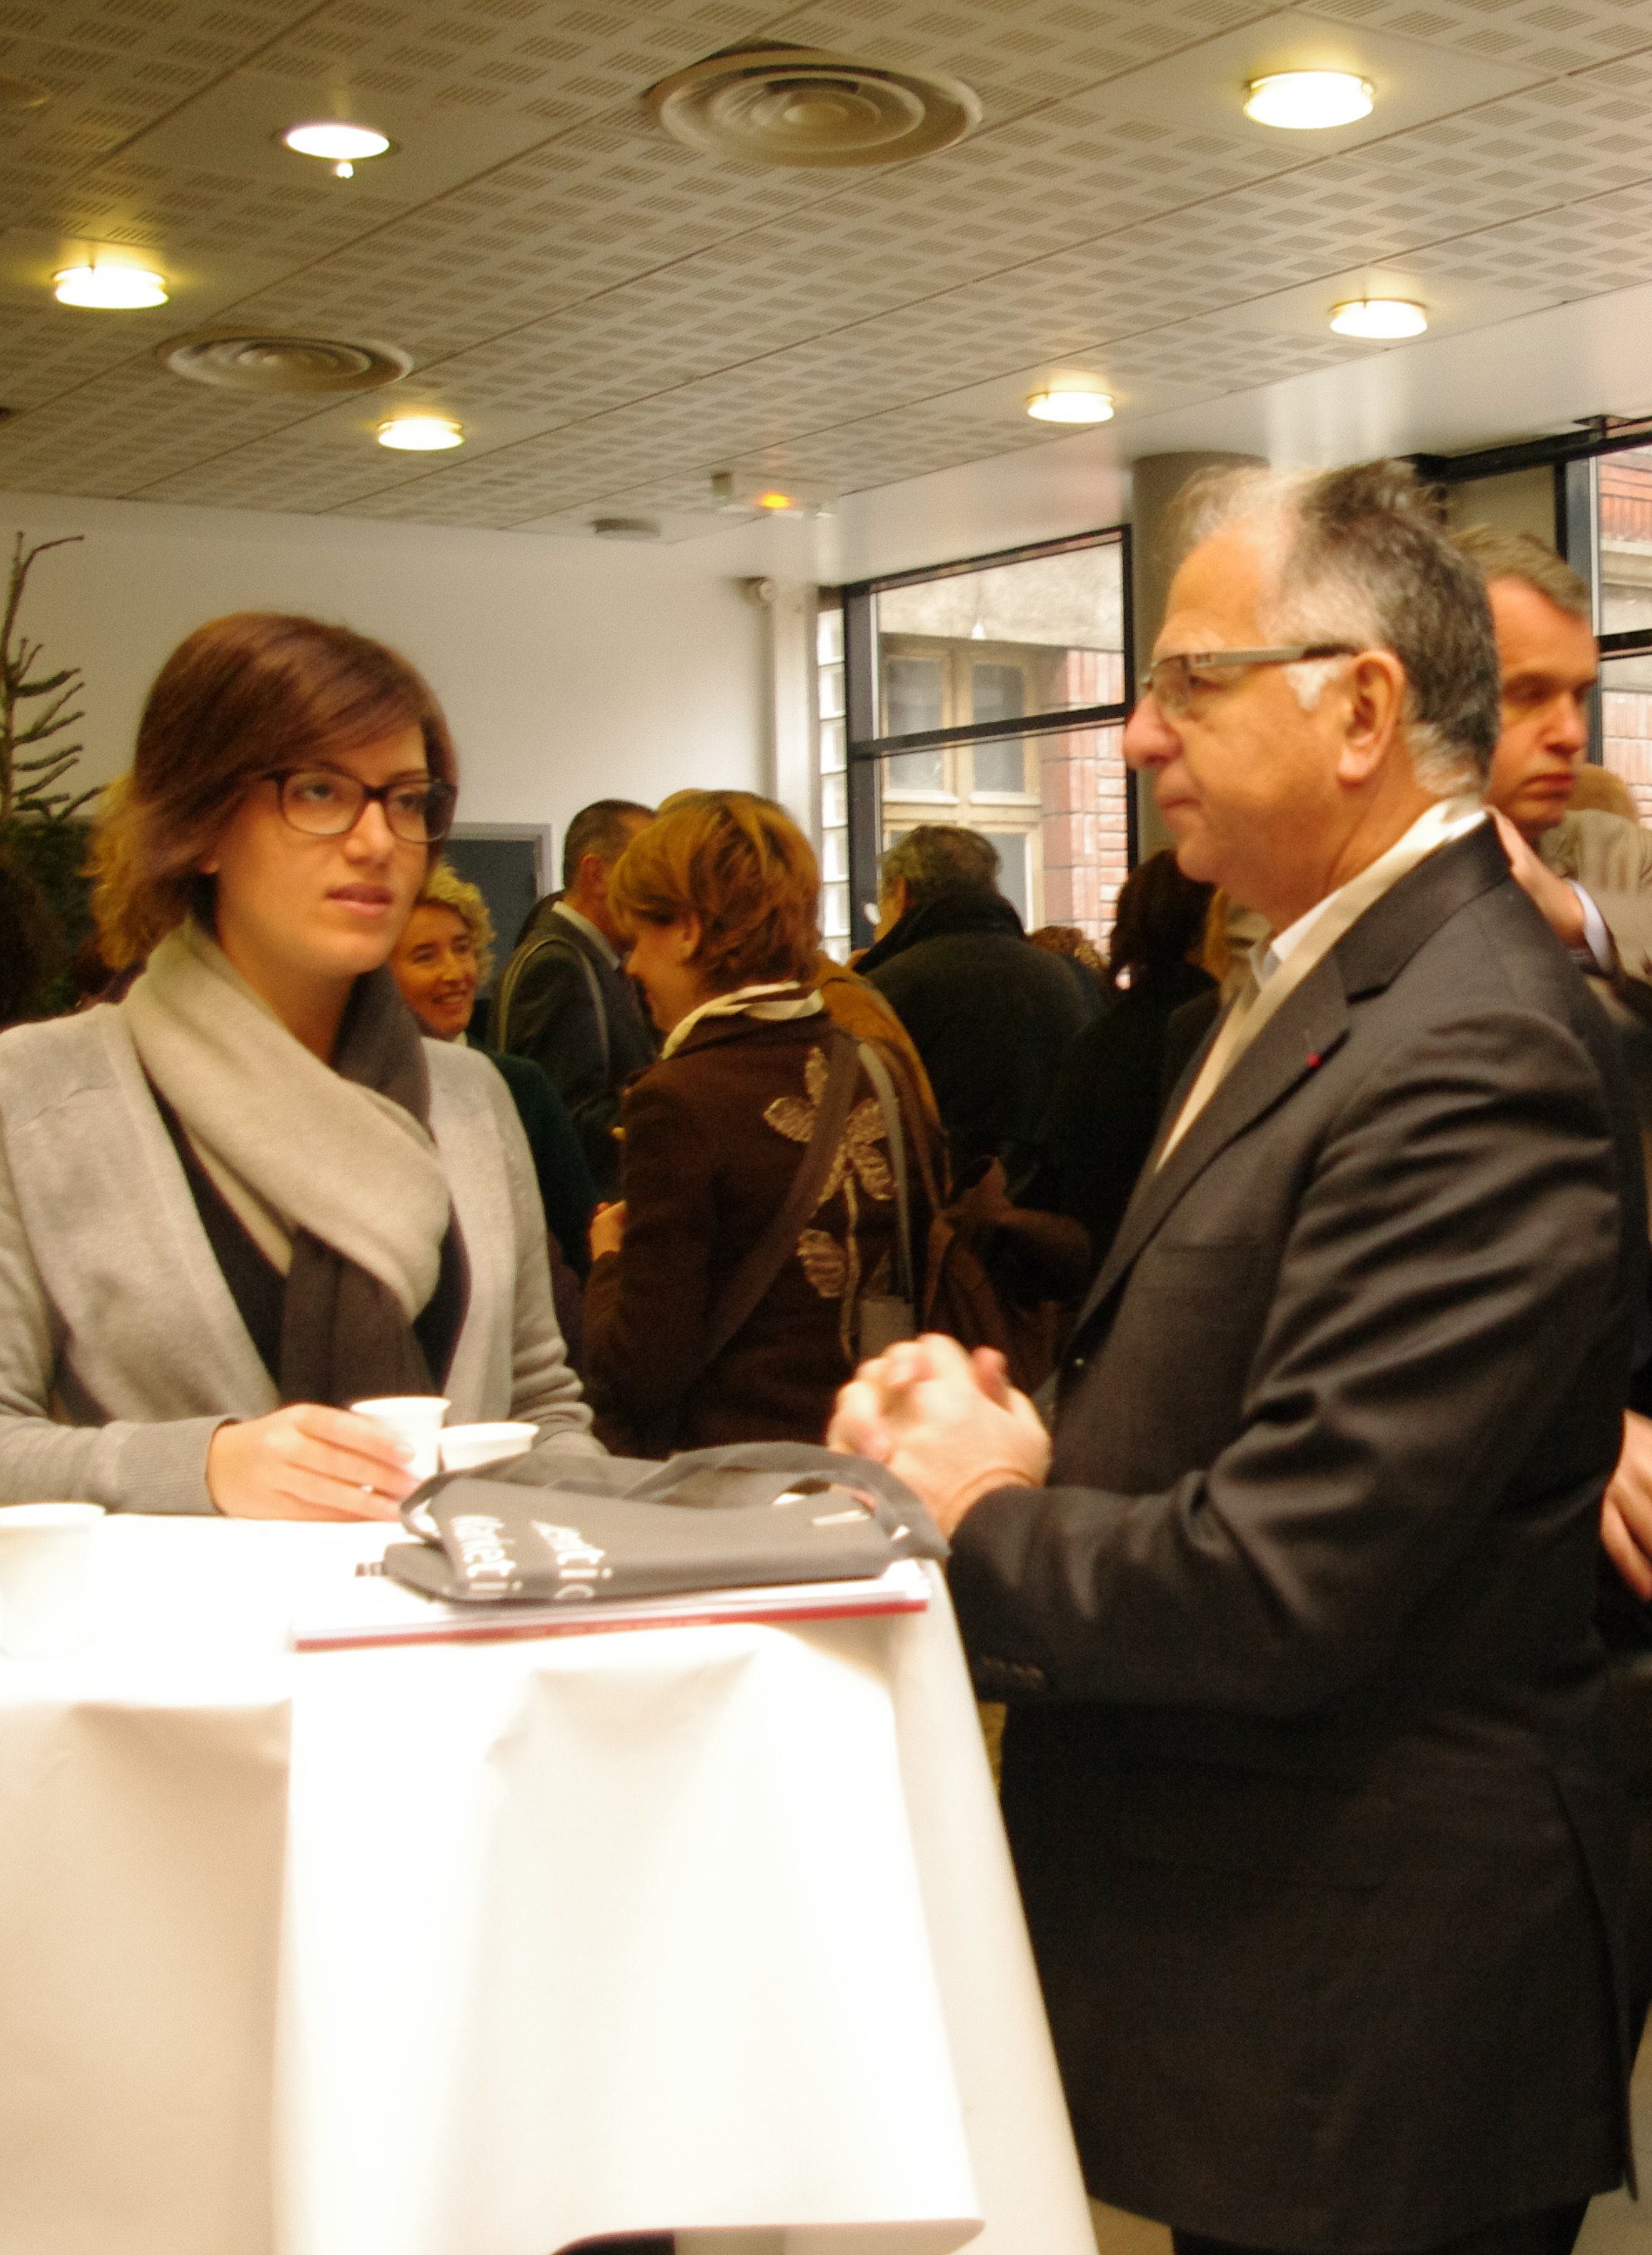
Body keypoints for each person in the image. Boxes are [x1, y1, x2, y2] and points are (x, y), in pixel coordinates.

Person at [831, 460, 1644, 2255]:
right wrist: (1020, 1429)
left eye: (1188, 680)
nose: (1136, 734)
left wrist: (979, 1507)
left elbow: (1290, 1571)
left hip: (1366, 2007)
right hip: (1276, 1973)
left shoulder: (1470, 1042)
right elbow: (1235, 1381)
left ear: (1356, 710)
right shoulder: (1318, 985)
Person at [0, 611, 597, 1517]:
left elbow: (543, 1409)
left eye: (407, 800)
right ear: (199, 824)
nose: (377, 840)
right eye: (319, 791)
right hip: (176, 1611)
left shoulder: (471, 1096)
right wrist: (203, 1466)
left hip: (463, 1600)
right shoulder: (37, 1095)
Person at [582, 789, 933, 1458]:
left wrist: (608, 1260)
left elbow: (641, 1370)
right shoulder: (878, 1068)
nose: (633, 965)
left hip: (732, 1475)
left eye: (640, 936)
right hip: (872, 1460)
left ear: (687, 931)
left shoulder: (675, 1099)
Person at [854, 824, 1099, 1185]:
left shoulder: (882, 992)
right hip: (1064, 1207)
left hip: (947, 1207)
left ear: (901, 893)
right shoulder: (1073, 978)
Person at [391, 861, 598, 1280]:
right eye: (425, 956)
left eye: (462, 948)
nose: (455, 973)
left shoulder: (521, 1086)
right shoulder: (363, 1091)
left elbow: (577, 1235)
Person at [1028, 849, 1215, 1262]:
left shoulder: (1099, 1042)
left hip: (1114, 1270)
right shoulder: (1233, 1027)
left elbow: (1071, 1197)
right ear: (1214, 928)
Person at [490, 798, 656, 1200]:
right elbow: (566, 1120)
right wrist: (671, 1108)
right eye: (646, 873)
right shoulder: (557, 965)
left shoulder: (597, 961)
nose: (661, 892)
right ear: (596, 874)